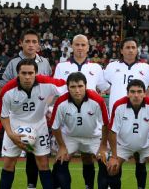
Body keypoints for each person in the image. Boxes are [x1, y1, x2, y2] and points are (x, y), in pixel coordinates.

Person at [0, 29, 52, 189]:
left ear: (39, 44)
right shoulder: (12, 63)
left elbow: (51, 88)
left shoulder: (45, 63)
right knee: (11, 160)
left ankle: (31, 185)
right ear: (21, 43)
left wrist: (48, 106)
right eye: (27, 41)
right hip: (16, 117)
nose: (31, 45)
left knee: (37, 157)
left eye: (34, 42)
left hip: (38, 118)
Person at [52, 34, 110, 188]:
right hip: (69, 119)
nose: (80, 48)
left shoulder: (96, 67)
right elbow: (56, 90)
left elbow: (105, 88)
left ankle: (89, 185)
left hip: (91, 121)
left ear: (88, 47)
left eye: (83, 45)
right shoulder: (61, 66)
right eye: (77, 44)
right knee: (62, 159)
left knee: (91, 159)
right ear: (72, 46)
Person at [0, 59, 65, 189]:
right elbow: (3, 115)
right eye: (24, 73)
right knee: (8, 163)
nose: (27, 77)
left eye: (31, 73)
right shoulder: (7, 90)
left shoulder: (47, 83)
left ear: (36, 73)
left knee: (43, 163)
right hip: (14, 127)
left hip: (39, 125)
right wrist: (11, 135)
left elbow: (70, 86)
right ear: (18, 74)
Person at [103, 37, 149, 188]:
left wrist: (146, 99)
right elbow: (103, 86)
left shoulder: (147, 69)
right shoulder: (112, 67)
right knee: (114, 163)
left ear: (137, 50)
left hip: (141, 116)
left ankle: (145, 186)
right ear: (121, 50)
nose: (131, 50)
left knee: (142, 161)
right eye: (127, 47)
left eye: (133, 47)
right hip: (119, 119)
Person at [106, 79, 149, 189]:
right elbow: (112, 132)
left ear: (144, 93)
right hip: (124, 145)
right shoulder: (119, 105)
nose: (136, 95)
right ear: (127, 94)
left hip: (147, 144)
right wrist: (113, 156)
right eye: (132, 92)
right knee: (112, 168)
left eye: (139, 91)